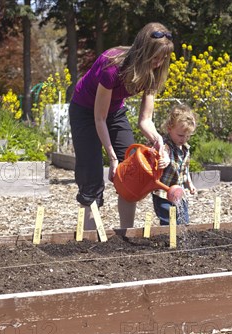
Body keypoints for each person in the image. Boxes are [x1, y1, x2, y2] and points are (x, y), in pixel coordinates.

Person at [69, 22, 174, 229]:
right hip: (85, 112)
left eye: (164, 58)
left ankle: (126, 235)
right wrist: (113, 158)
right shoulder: (112, 65)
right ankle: (89, 239)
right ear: (143, 51)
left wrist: (158, 142)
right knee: (92, 176)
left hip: (114, 112)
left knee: (132, 171)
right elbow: (99, 118)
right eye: (156, 57)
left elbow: (145, 120)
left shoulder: (154, 72)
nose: (159, 62)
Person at [152, 103, 197, 225]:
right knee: (168, 220)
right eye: (181, 135)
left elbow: (185, 169)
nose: (183, 139)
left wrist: (190, 184)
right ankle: (168, 240)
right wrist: (165, 158)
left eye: (187, 136)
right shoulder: (165, 145)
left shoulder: (185, 149)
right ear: (169, 128)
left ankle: (180, 241)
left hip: (179, 192)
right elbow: (164, 152)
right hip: (163, 193)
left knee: (183, 220)